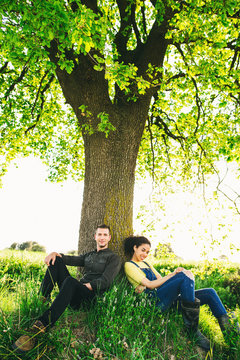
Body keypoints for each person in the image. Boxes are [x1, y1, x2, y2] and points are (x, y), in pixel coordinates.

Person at [13, 224, 121, 353]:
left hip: (90, 297)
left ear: (109, 237)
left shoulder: (114, 258)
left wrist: (84, 286)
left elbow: (106, 281)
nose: (102, 237)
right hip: (75, 292)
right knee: (57, 261)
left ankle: (40, 327)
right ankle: (42, 299)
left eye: (105, 235)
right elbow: (72, 259)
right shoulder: (90, 255)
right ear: (95, 237)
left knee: (70, 281)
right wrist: (55, 254)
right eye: (99, 234)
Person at [124, 236, 240, 351]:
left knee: (210, 293)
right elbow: (149, 284)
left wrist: (175, 274)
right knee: (183, 276)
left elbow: (161, 281)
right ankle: (192, 331)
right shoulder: (129, 265)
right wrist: (176, 276)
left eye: (148, 252)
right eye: (143, 250)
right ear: (135, 248)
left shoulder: (147, 264)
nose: (145, 254)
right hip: (154, 303)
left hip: (166, 299)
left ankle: (234, 337)